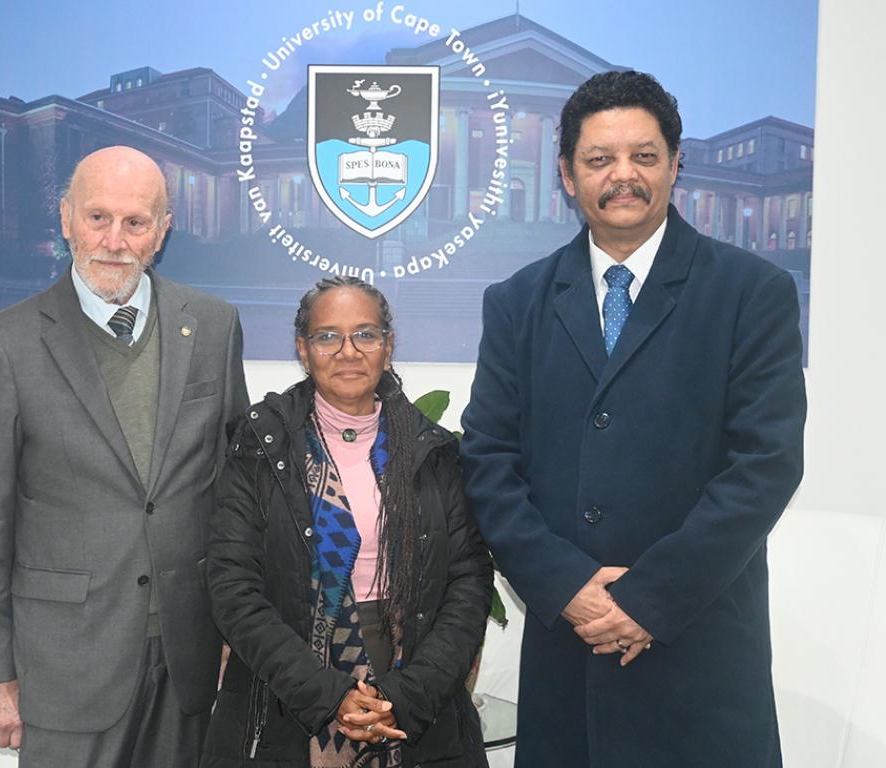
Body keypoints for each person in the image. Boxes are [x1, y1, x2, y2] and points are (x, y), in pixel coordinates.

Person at [460, 71, 806, 767]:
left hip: (697, 647)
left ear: (676, 166)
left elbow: (764, 466)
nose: (624, 176)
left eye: (644, 156)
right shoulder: (517, 301)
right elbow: (489, 460)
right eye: (600, 160)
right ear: (566, 174)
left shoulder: (752, 293)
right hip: (569, 650)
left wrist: (647, 599)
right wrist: (568, 588)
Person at [0, 145, 249, 767]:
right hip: (64, 666)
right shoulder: (6, 343)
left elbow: (232, 494)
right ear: (65, 219)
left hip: (189, 658)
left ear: (162, 232)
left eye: (135, 222)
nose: (114, 240)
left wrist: (236, 628)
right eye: (97, 218)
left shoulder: (214, 327)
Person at [204, 277, 492, 768]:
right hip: (289, 697)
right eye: (327, 336)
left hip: (415, 691)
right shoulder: (260, 443)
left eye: (365, 334)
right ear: (302, 347)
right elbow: (233, 586)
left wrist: (407, 694)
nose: (348, 352)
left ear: (388, 344)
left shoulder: (432, 450)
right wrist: (327, 693)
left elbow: (468, 579)